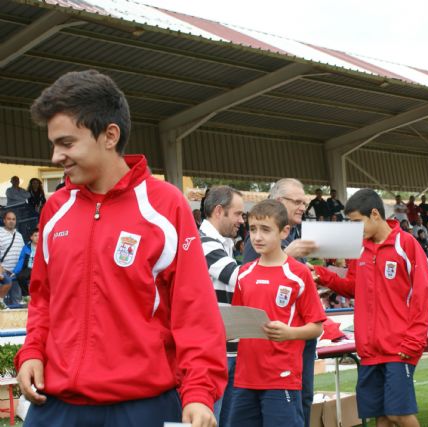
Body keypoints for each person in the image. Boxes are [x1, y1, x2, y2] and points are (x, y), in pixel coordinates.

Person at [16, 69, 227, 427]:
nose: (56, 156)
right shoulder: (55, 209)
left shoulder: (164, 206)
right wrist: (32, 351)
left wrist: (198, 393)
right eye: (53, 144)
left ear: (109, 135)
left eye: (66, 143)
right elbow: (43, 298)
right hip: (57, 405)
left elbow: (194, 312)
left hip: (141, 408)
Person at [313, 189, 428, 427]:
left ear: (375, 214)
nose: (354, 230)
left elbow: (423, 295)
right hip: (369, 350)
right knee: (382, 416)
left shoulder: (405, 245)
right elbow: (353, 287)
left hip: (399, 347)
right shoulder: (360, 250)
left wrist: (414, 340)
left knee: (399, 414)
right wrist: (322, 275)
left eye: (357, 222)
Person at [229, 200, 325, 426]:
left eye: (265, 230)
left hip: (281, 378)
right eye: (252, 229)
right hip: (245, 378)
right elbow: (238, 320)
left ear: (284, 232)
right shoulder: (243, 273)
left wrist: (289, 333)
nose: (257, 237)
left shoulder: (298, 274)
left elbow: (317, 326)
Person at [200, 186, 245, 427]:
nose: (241, 220)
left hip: (227, 349)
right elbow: (238, 278)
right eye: (237, 214)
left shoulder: (223, 243)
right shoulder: (203, 243)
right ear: (219, 211)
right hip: (213, 352)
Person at [0, 210, 25, 305]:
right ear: (4, 220)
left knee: (16, 304)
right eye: (9, 219)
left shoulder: (19, 236)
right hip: (3, 275)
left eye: (13, 219)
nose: (11, 221)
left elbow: (23, 255)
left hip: (16, 275)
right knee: (2, 305)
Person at [13, 228, 38, 297]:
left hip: (40, 269)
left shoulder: (43, 246)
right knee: (20, 276)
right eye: (35, 235)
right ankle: (26, 295)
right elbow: (21, 260)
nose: (37, 237)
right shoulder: (26, 247)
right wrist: (15, 271)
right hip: (29, 268)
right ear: (31, 237)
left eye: (39, 235)